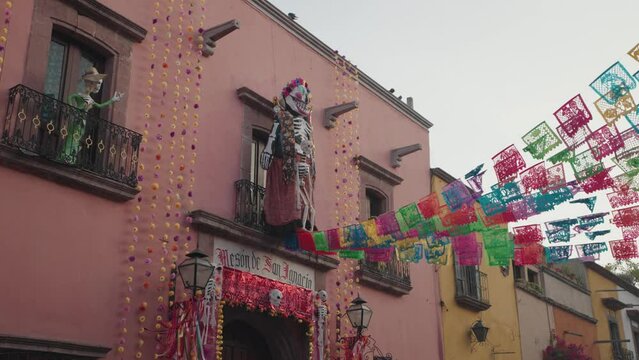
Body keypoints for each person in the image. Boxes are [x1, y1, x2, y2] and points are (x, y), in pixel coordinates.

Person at [260, 78, 316, 234]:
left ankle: (305, 225)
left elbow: (310, 145)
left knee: (304, 197)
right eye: (299, 97)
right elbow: (273, 134)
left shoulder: (308, 125)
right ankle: (286, 219)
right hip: (288, 161)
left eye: (306, 99)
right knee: (292, 193)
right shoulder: (282, 118)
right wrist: (268, 151)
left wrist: (312, 164)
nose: (303, 101)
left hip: (304, 161)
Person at [59, 66, 124, 164]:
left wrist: (113, 100)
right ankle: (65, 155)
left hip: (82, 123)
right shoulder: (80, 95)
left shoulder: (91, 100)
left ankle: (71, 156)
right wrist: (75, 108)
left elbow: (100, 105)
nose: (97, 86)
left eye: (98, 84)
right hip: (77, 120)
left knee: (77, 138)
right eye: (96, 83)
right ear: (89, 83)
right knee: (72, 137)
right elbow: (70, 97)